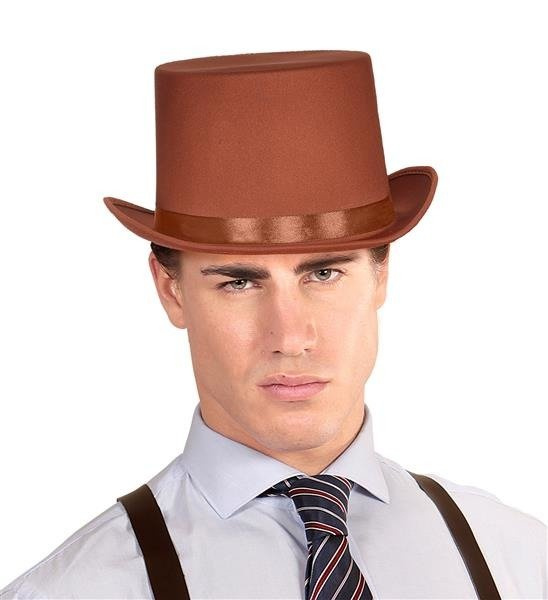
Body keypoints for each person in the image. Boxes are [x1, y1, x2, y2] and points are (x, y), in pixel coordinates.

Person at [1, 50, 546, 600]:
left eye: (324, 273)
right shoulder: (78, 589)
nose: (290, 338)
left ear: (381, 275)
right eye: (239, 283)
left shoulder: (518, 560)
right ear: (171, 290)